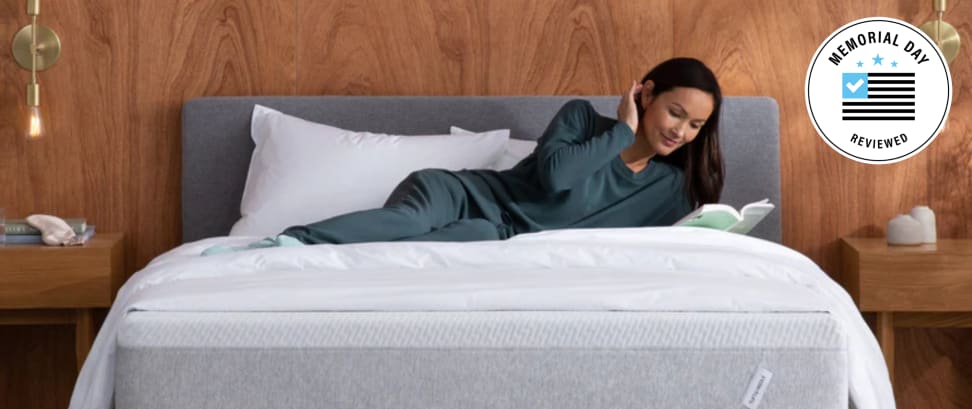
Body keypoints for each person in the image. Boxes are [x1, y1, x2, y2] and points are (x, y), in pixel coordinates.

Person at [204, 57, 724, 255]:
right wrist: (622, 129)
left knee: (432, 254)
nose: (681, 131)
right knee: (405, 221)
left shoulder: (668, 187)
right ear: (646, 93)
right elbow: (557, 179)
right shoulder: (582, 119)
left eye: (696, 125)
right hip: (460, 194)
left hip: (499, 236)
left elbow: (655, 247)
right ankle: (282, 244)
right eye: (675, 112)